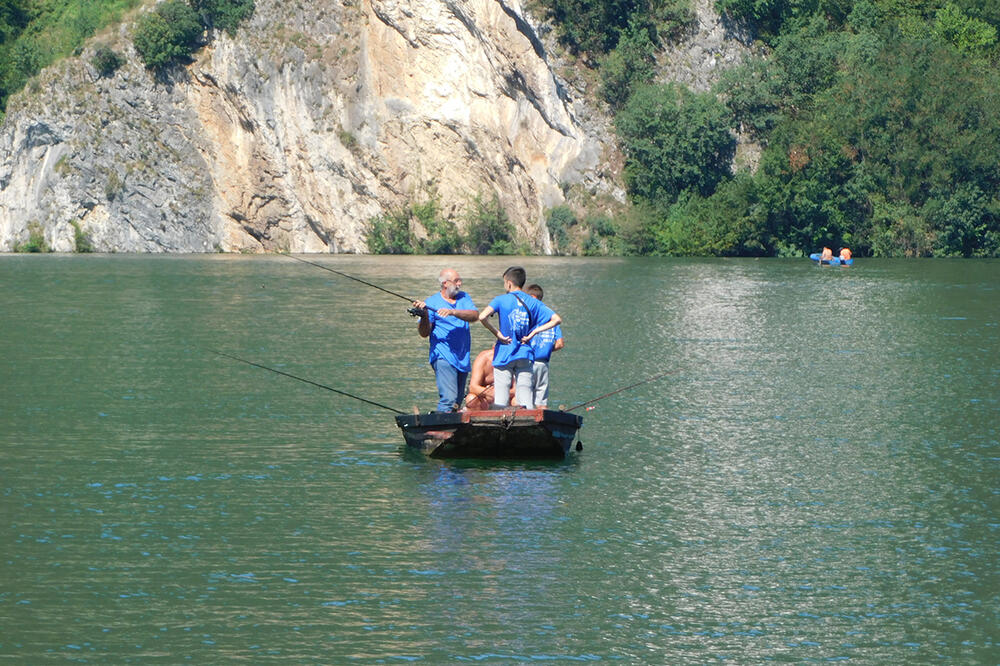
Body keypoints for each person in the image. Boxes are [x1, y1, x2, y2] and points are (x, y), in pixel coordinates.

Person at [478, 266, 561, 409]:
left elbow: (482, 316)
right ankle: (528, 423)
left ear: (509, 283)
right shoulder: (534, 302)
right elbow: (556, 319)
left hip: (504, 351)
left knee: (501, 398)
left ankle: (500, 425)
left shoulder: (501, 300)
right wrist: (534, 332)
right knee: (525, 395)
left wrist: (497, 333)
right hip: (525, 353)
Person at [412, 268, 479, 412]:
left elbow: (474, 316)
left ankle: (454, 432)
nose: (459, 284)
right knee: (448, 398)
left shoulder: (464, 297)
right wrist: (424, 315)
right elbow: (424, 333)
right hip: (443, 355)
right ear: (445, 284)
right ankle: (438, 430)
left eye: (459, 280)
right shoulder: (432, 302)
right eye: (456, 281)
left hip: (462, 357)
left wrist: (453, 312)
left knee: (457, 402)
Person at [524, 284, 564, 408]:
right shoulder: (552, 318)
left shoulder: (531, 315)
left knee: (525, 399)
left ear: (532, 297)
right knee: (542, 402)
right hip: (544, 364)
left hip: (528, 362)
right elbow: (560, 344)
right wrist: (546, 348)